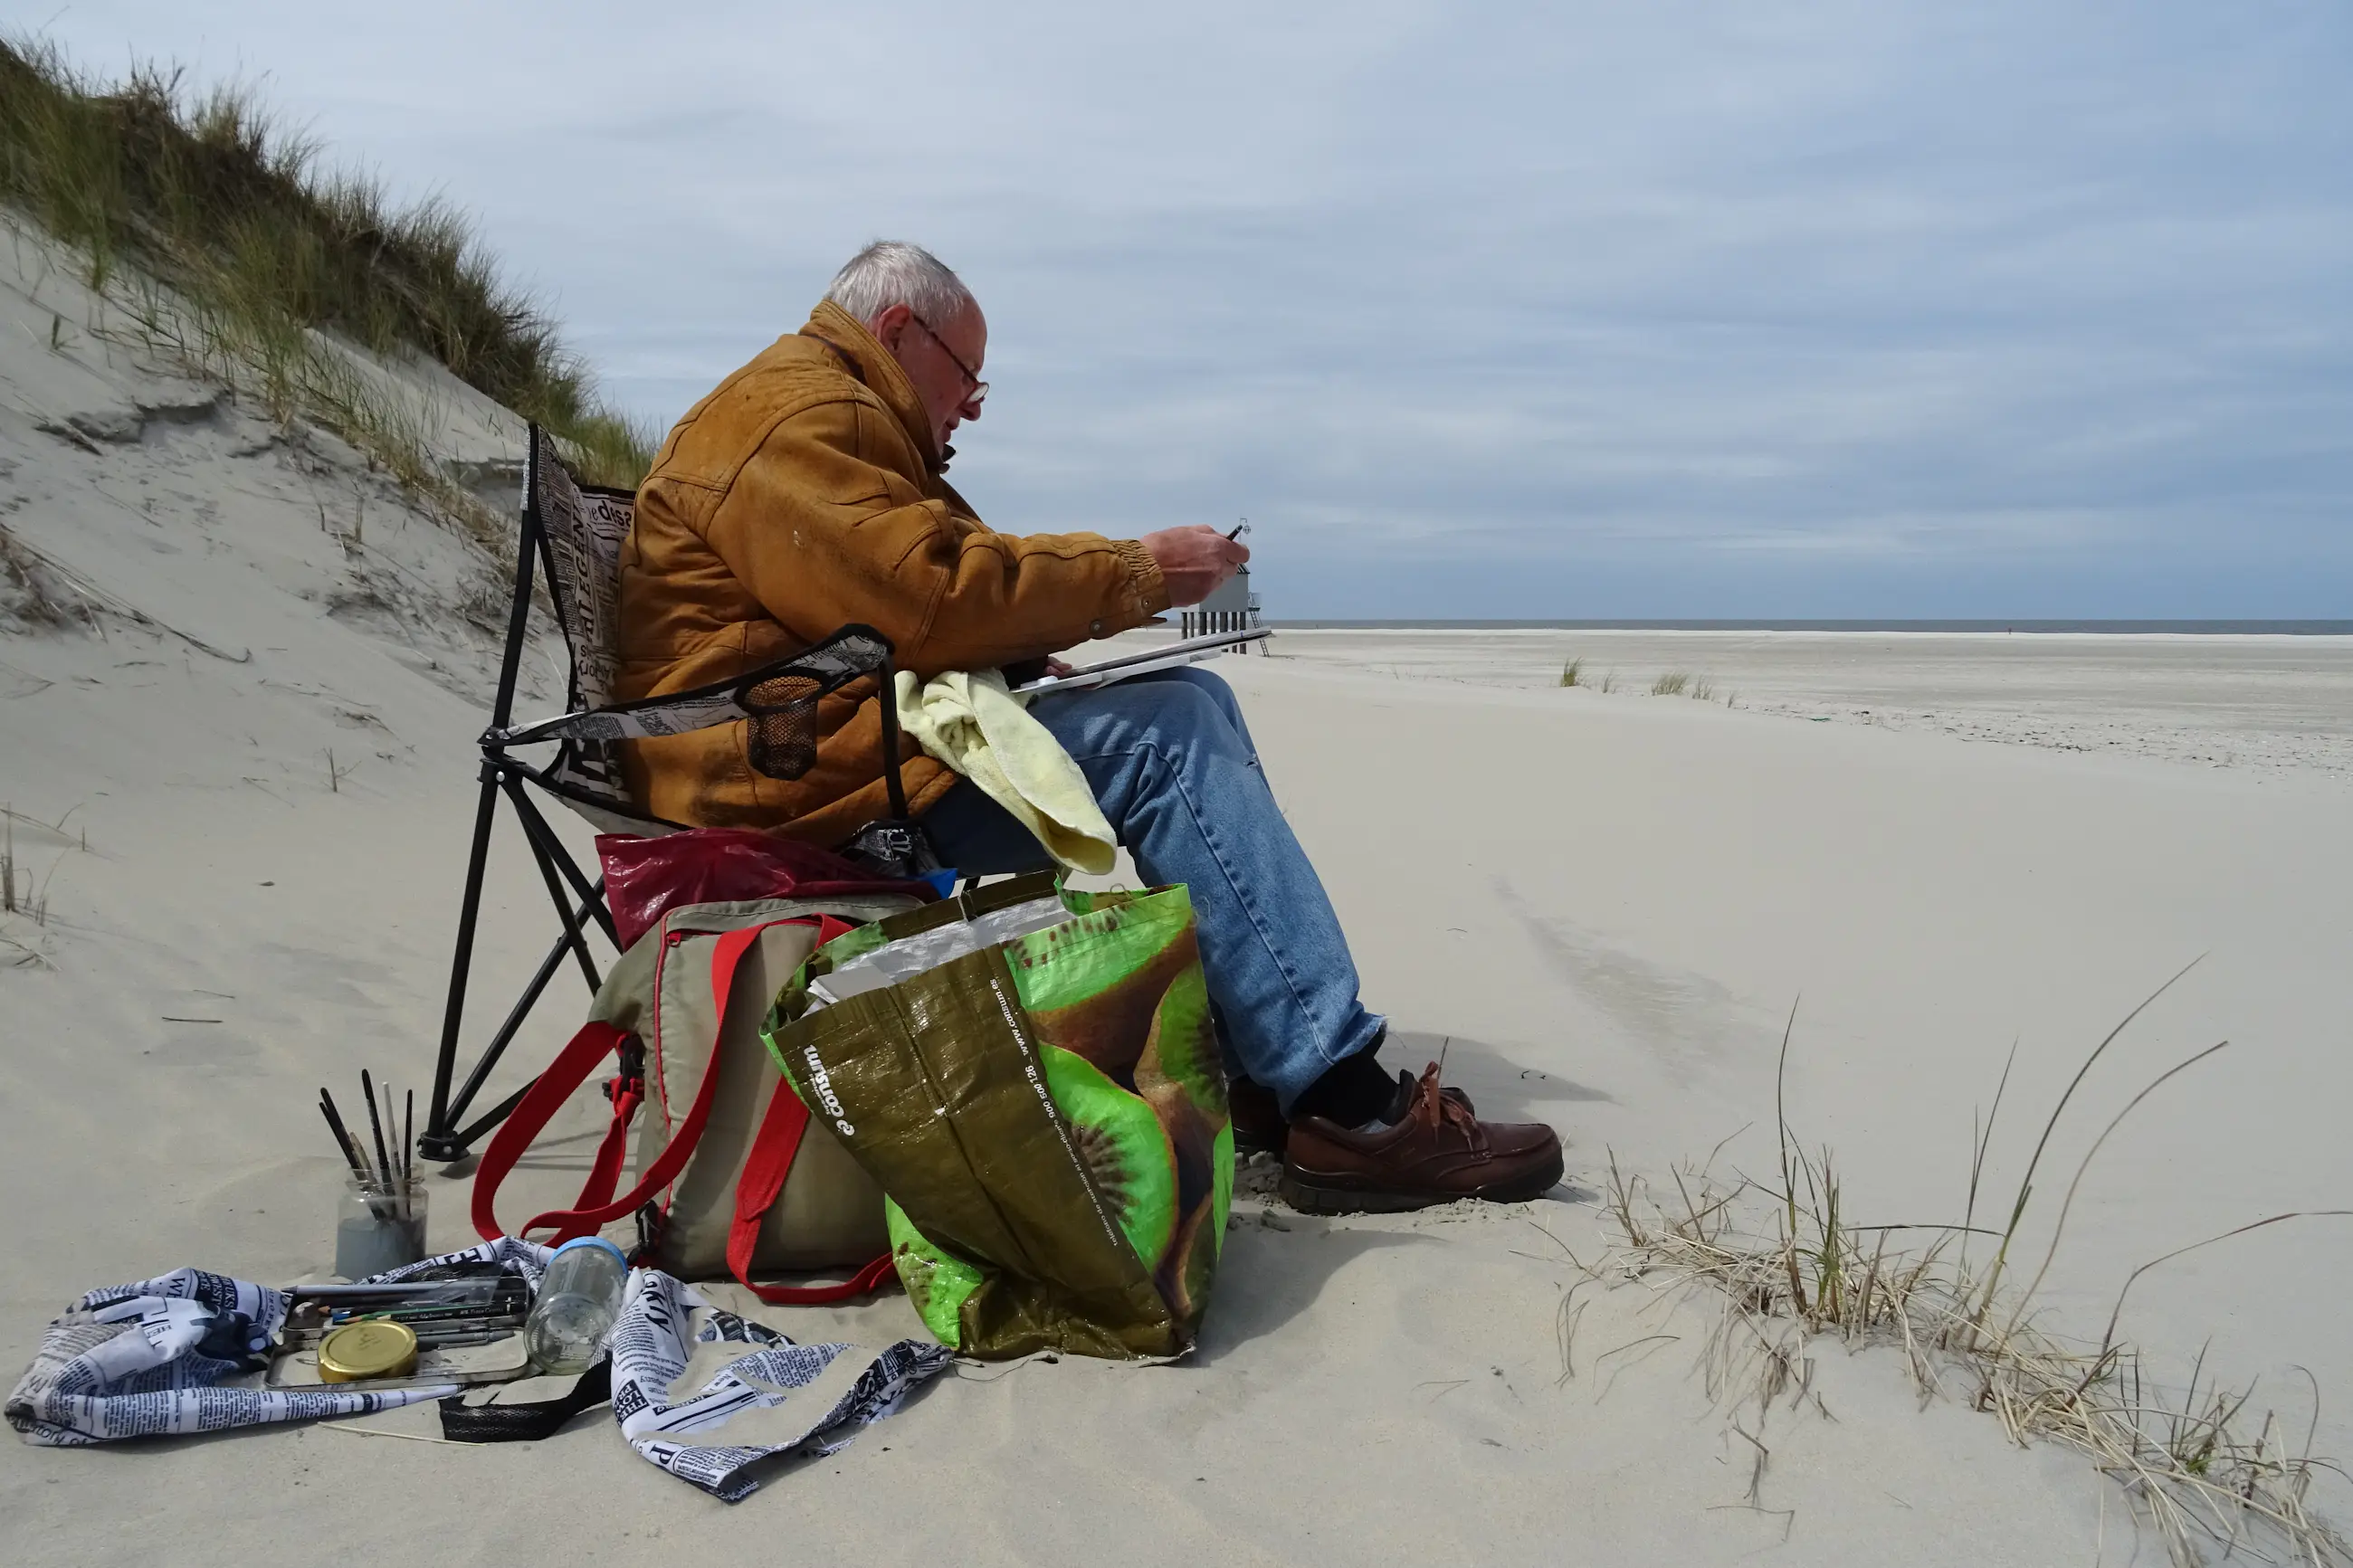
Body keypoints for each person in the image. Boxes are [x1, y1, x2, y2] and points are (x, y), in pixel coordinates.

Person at [614, 240, 1562, 1212]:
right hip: (788, 783)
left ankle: (1274, 1071)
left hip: (808, 745)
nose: (972, 405)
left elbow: (892, 590)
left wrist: (1021, 661)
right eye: (969, 375)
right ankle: (1342, 1105)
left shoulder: (819, 407)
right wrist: (1140, 570)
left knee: (1193, 698)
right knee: (1166, 734)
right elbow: (933, 595)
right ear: (899, 330)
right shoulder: (799, 416)